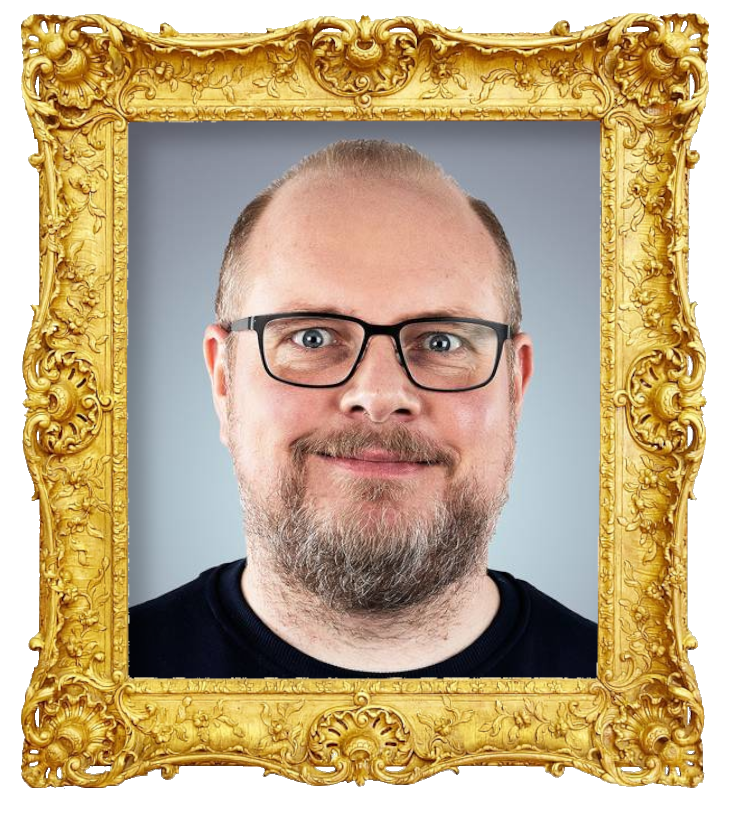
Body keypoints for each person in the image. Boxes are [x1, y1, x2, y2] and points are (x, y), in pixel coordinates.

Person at [129, 138, 597, 679]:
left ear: (516, 387)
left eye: (442, 342)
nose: (378, 397)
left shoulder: (638, 707)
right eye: (311, 337)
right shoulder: (88, 691)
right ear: (223, 381)